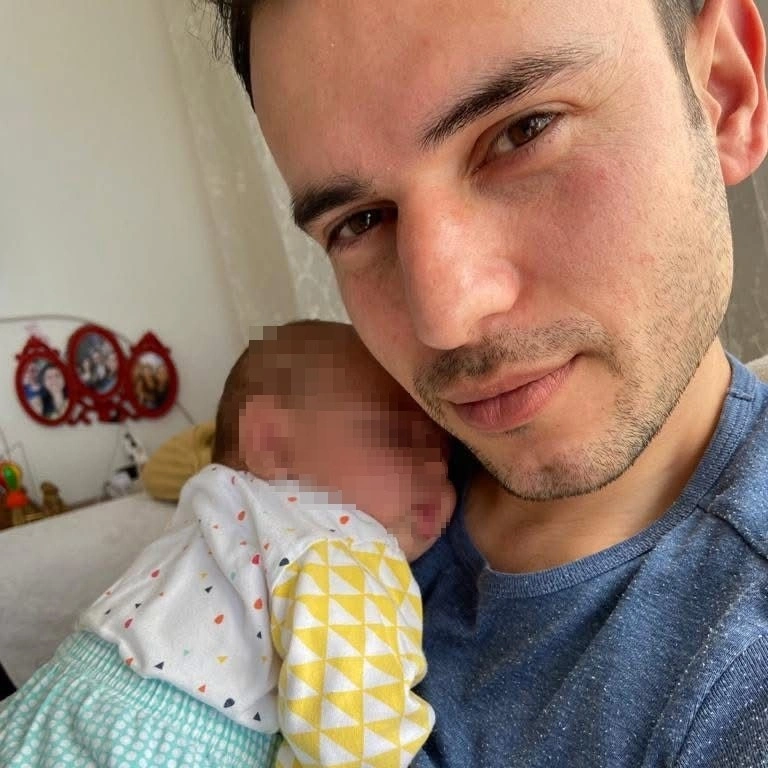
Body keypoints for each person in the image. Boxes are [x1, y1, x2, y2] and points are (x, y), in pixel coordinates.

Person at [206, 1, 768, 765]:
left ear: (725, 94)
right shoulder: (341, 482)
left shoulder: (740, 670)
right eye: (360, 221)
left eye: (523, 131)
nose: (445, 318)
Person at [0, 320, 454, 768]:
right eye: (400, 439)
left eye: (449, 461)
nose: (437, 473)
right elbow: (355, 735)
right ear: (271, 444)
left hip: (49, 702)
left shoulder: (214, 501)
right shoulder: (342, 542)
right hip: (167, 743)